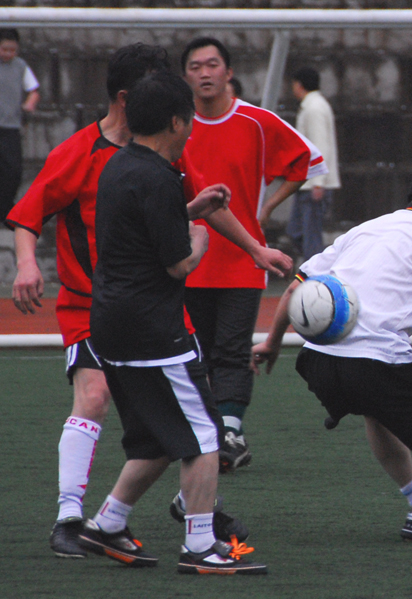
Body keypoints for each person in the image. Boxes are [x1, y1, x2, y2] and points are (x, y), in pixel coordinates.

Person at [7, 43, 288, 559]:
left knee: (173, 419)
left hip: (143, 308)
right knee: (107, 400)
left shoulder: (156, 159)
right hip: (98, 305)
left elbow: (194, 206)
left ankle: (133, 516)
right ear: (127, 98)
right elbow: (28, 214)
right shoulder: (85, 154)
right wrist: (27, 263)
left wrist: (254, 248)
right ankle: (72, 517)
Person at [81, 71, 266, 574]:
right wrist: (200, 236)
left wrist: (189, 208)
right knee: (204, 435)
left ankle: (107, 524)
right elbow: (178, 264)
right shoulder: (160, 175)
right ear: (177, 122)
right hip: (152, 327)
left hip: (111, 323)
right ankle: (201, 545)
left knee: (157, 437)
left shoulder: (118, 165)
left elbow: (140, 224)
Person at [252, 159, 412, 541]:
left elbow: (297, 287)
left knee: (376, 411)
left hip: (317, 361)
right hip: (375, 362)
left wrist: (272, 342)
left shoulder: (367, 228)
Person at [181, 37, 327, 472]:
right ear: (185, 76)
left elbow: (307, 161)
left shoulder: (257, 122)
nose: (204, 73)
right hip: (185, 262)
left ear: (228, 72)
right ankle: (209, 431)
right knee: (195, 354)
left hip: (244, 262)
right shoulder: (175, 125)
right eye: (195, 66)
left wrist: (266, 207)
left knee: (231, 350)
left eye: (212, 64)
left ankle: (230, 432)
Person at [287, 66, 341, 260]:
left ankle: (316, 271)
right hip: (307, 182)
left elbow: (320, 145)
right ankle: (315, 268)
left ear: (299, 85)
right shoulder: (314, 106)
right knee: (299, 232)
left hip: (312, 183)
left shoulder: (314, 108)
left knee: (309, 237)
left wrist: (318, 182)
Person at [0, 28, 39, 222]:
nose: (8, 54)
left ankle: (5, 209)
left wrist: (29, 103)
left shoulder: (20, 66)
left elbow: (33, 90)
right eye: (4, 49)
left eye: (12, 50)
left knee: (13, 171)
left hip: (11, 126)